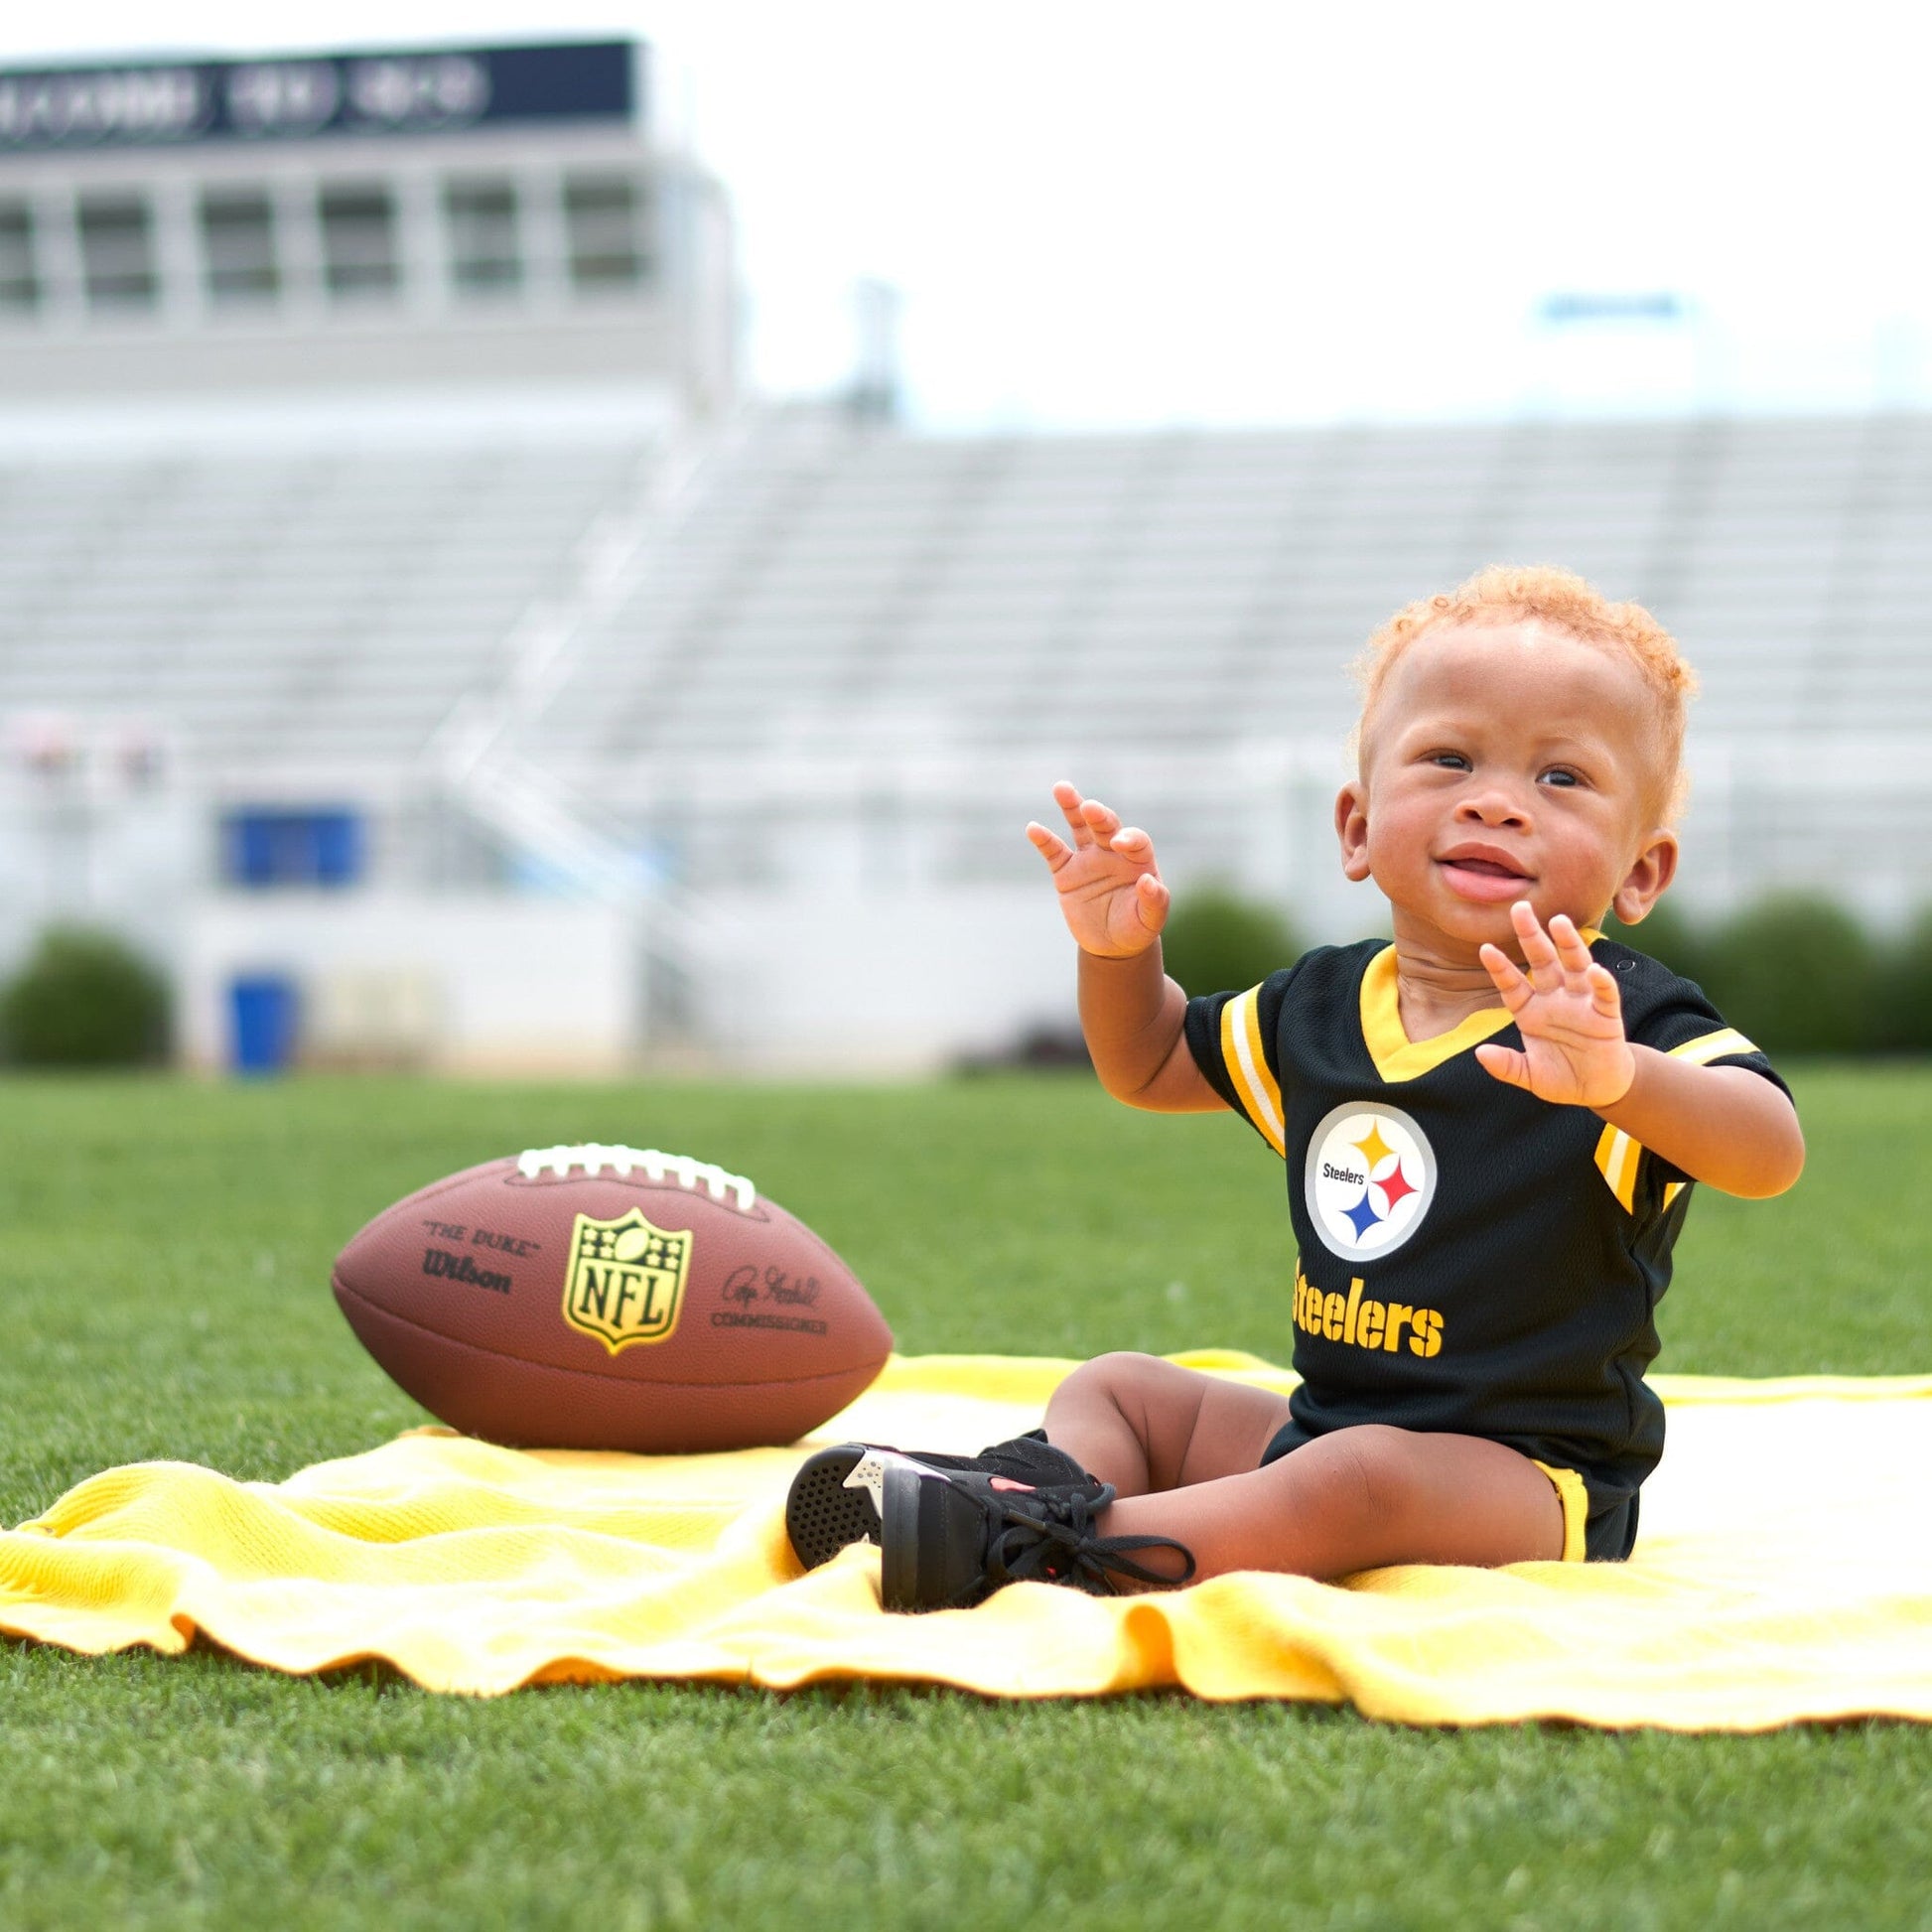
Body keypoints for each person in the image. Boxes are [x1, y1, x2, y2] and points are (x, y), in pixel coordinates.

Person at [786, 565, 1806, 1612]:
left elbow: (1768, 1150)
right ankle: (1019, 1486)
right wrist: (1116, 954)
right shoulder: (1318, 1005)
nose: (1494, 800)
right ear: (1356, 827)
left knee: (1355, 1477)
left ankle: (1037, 1543)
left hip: (1527, 1478)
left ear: (1640, 871)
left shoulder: (1615, 1015)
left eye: (1560, 778)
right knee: (1121, 1388)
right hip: (1318, 1422)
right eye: (1448, 757)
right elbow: (1146, 1063)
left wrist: (1616, 1079)